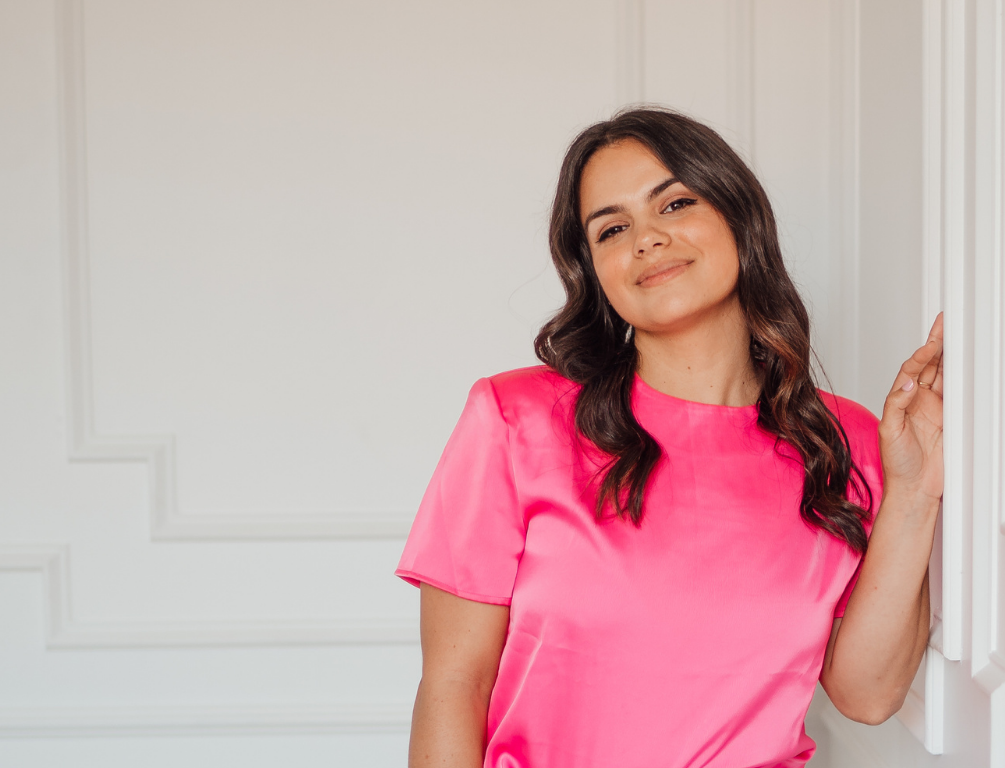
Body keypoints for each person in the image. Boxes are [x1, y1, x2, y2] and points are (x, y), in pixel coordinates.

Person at [395, 108, 945, 768]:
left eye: (675, 203)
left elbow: (868, 695)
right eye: (613, 229)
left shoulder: (846, 441)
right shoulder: (516, 420)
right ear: (594, 271)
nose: (646, 239)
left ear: (739, 220)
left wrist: (914, 489)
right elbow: (454, 687)